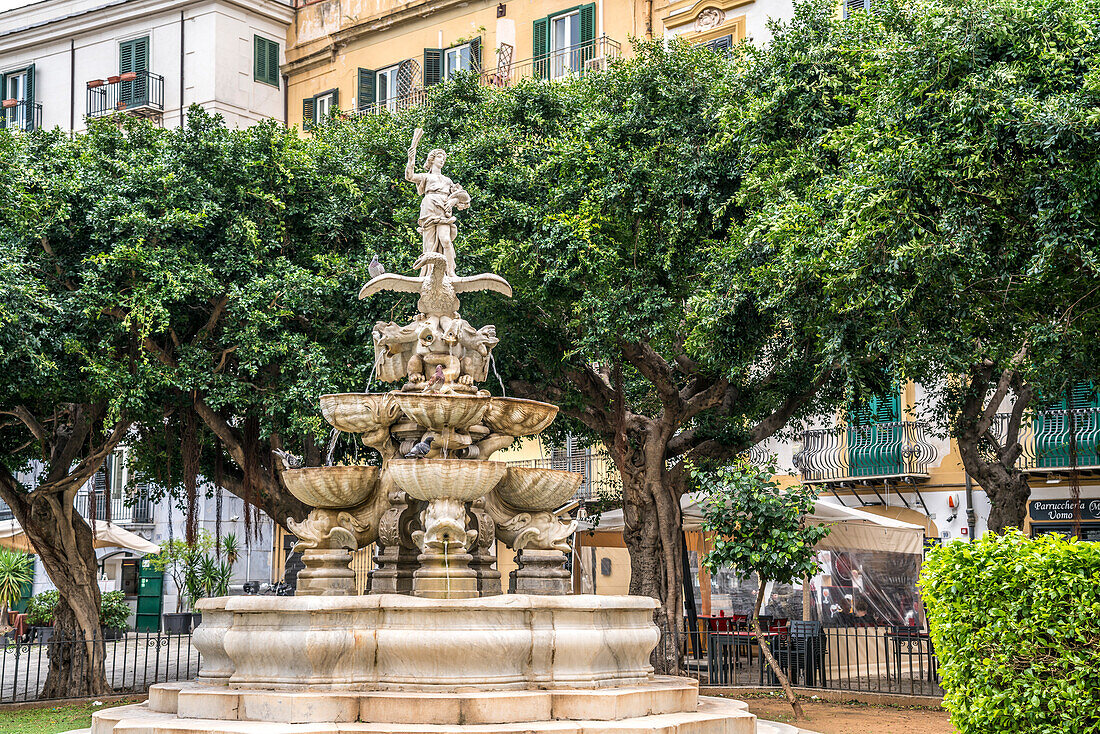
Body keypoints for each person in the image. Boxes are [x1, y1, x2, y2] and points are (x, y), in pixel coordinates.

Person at [405, 128, 471, 278]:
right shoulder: (426, 177)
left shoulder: (447, 180)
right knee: (429, 245)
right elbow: (409, 176)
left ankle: (451, 271)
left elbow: (465, 197)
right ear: (432, 159)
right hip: (429, 206)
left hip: (443, 209)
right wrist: (411, 160)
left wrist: (454, 200)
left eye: (443, 158)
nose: (442, 160)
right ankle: (430, 274)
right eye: (440, 157)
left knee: (446, 240)